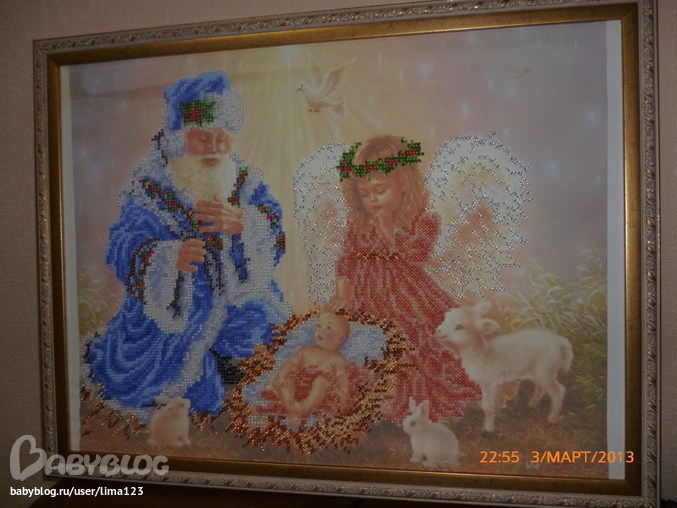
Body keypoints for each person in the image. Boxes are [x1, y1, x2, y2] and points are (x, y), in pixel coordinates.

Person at [86, 71, 288, 423]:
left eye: (221, 139)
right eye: (203, 139)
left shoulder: (243, 180)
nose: (214, 148)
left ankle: (232, 363)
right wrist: (169, 259)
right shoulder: (151, 190)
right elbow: (123, 246)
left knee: (275, 352)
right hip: (178, 311)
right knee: (194, 390)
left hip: (239, 303)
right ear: (181, 139)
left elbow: (275, 231)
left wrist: (243, 222)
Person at [327, 134, 481, 423]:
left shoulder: (424, 220)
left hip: (406, 294)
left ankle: (415, 399)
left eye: (380, 190)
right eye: (365, 193)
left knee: (410, 336)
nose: (372, 200)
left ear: (404, 184)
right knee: (358, 340)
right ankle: (370, 398)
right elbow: (346, 260)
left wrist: (389, 232)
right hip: (364, 295)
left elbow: (417, 255)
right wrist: (343, 293)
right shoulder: (358, 224)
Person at [259, 312, 368, 426]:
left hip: (319, 392)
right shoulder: (306, 350)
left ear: (339, 339)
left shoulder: (337, 359)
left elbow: (341, 376)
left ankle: (304, 407)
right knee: (287, 380)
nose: (321, 330)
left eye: (328, 327)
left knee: (321, 381)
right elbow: (291, 362)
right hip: (298, 386)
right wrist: (282, 375)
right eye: (319, 325)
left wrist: (344, 391)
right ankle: (292, 409)